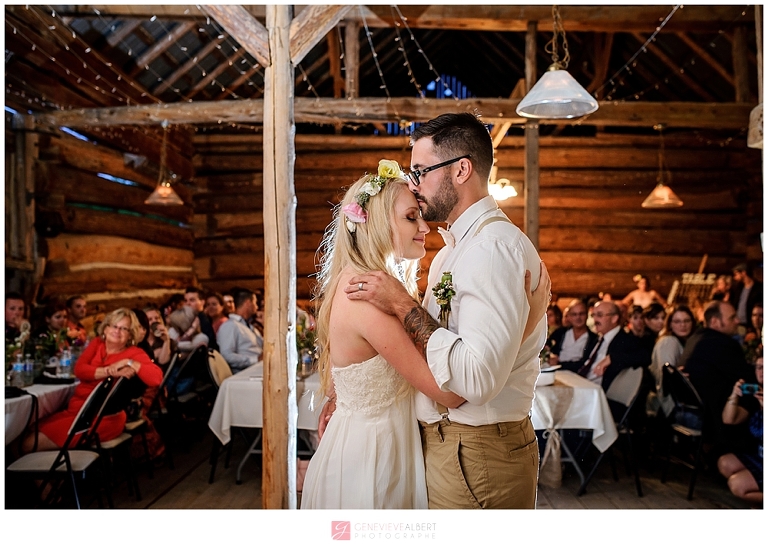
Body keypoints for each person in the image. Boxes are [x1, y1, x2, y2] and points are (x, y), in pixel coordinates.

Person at [340, 114, 551, 509]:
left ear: (461, 169)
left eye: (420, 171)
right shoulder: (453, 251)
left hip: (477, 453)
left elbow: (475, 380)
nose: (415, 185)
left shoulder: (491, 250)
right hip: (450, 448)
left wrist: (402, 304)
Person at [23, 308, 162, 453]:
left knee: (27, 444)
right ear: (106, 328)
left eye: (124, 328)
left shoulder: (134, 353)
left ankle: (53, 474)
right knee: (23, 435)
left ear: (130, 335)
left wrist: (129, 362)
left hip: (101, 419)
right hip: (76, 412)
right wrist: (109, 370)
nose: (117, 331)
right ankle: (52, 475)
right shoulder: (97, 344)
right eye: (114, 326)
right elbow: (80, 370)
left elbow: (156, 378)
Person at [680, 301, 753, 454]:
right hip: (710, 420)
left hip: (687, 409)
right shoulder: (722, 343)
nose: (737, 321)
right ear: (714, 321)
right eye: (732, 318)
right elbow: (747, 377)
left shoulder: (694, 338)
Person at [717, 354, 763, 506]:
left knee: (737, 485)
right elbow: (729, 420)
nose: (761, 372)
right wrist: (734, 396)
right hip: (760, 455)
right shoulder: (757, 392)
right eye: (759, 367)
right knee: (724, 463)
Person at [647, 305, 695, 418]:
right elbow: (666, 378)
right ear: (670, 324)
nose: (683, 325)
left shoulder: (684, 341)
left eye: (686, 320)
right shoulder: (668, 341)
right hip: (670, 407)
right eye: (677, 321)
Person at [217, 287, 263, 373]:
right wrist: (255, 359)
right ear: (248, 303)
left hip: (258, 370)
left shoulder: (248, 325)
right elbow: (227, 356)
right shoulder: (230, 326)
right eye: (255, 303)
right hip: (245, 374)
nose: (256, 307)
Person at [547, 298, 599, 372]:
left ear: (587, 315)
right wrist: (551, 357)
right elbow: (546, 348)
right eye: (574, 314)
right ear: (569, 317)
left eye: (581, 314)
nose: (578, 317)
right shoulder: (559, 333)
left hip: (577, 375)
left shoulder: (594, 339)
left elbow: (586, 364)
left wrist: (559, 363)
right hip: (555, 372)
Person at [729, 262, 763, 331]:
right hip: (738, 323)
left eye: (736, 274)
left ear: (743, 273)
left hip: (751, 324)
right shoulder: (738, 288)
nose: (735, 277)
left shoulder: (759, 288)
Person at [185, 286, 218, 351]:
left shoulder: (204, 320)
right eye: (186, 300)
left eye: (192, 300)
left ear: (202, 302)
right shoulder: (189, 319)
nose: (188, 303)